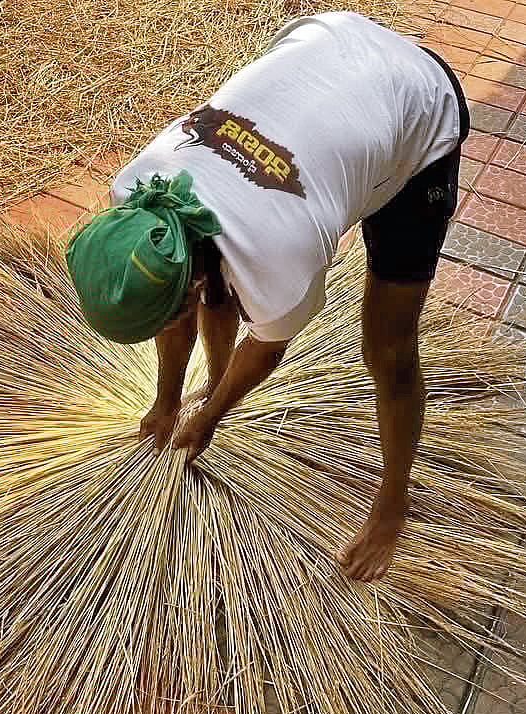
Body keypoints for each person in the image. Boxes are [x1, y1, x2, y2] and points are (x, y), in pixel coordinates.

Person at [64, 11, 470, 582]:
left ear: (186, 293)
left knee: (388, 346)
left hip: (415, 105)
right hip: (327, 48)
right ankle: (207, 383)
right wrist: (168, 400)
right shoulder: (138, 188)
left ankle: (393, 503)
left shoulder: (278, 263)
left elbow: (263, 346)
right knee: (217, 278)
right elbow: (193, 299)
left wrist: (210, 417)